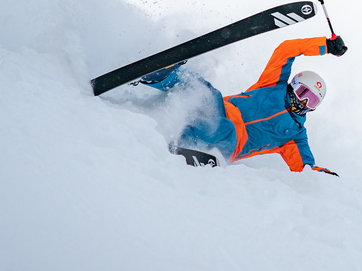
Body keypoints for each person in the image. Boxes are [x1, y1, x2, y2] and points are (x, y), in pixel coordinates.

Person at [139, 34, 347, 174]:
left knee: (225, 127)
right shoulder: (273, 84)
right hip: (220, 108)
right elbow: (286, 50)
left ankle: (183, 145)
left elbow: (306, 169)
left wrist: (323, 175)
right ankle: (158, 76)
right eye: (303, 92)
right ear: (293, 85)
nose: (303, 102)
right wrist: (325, 45)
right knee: (204, 91)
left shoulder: (295, 135)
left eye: (311, 101)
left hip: (231, 143)